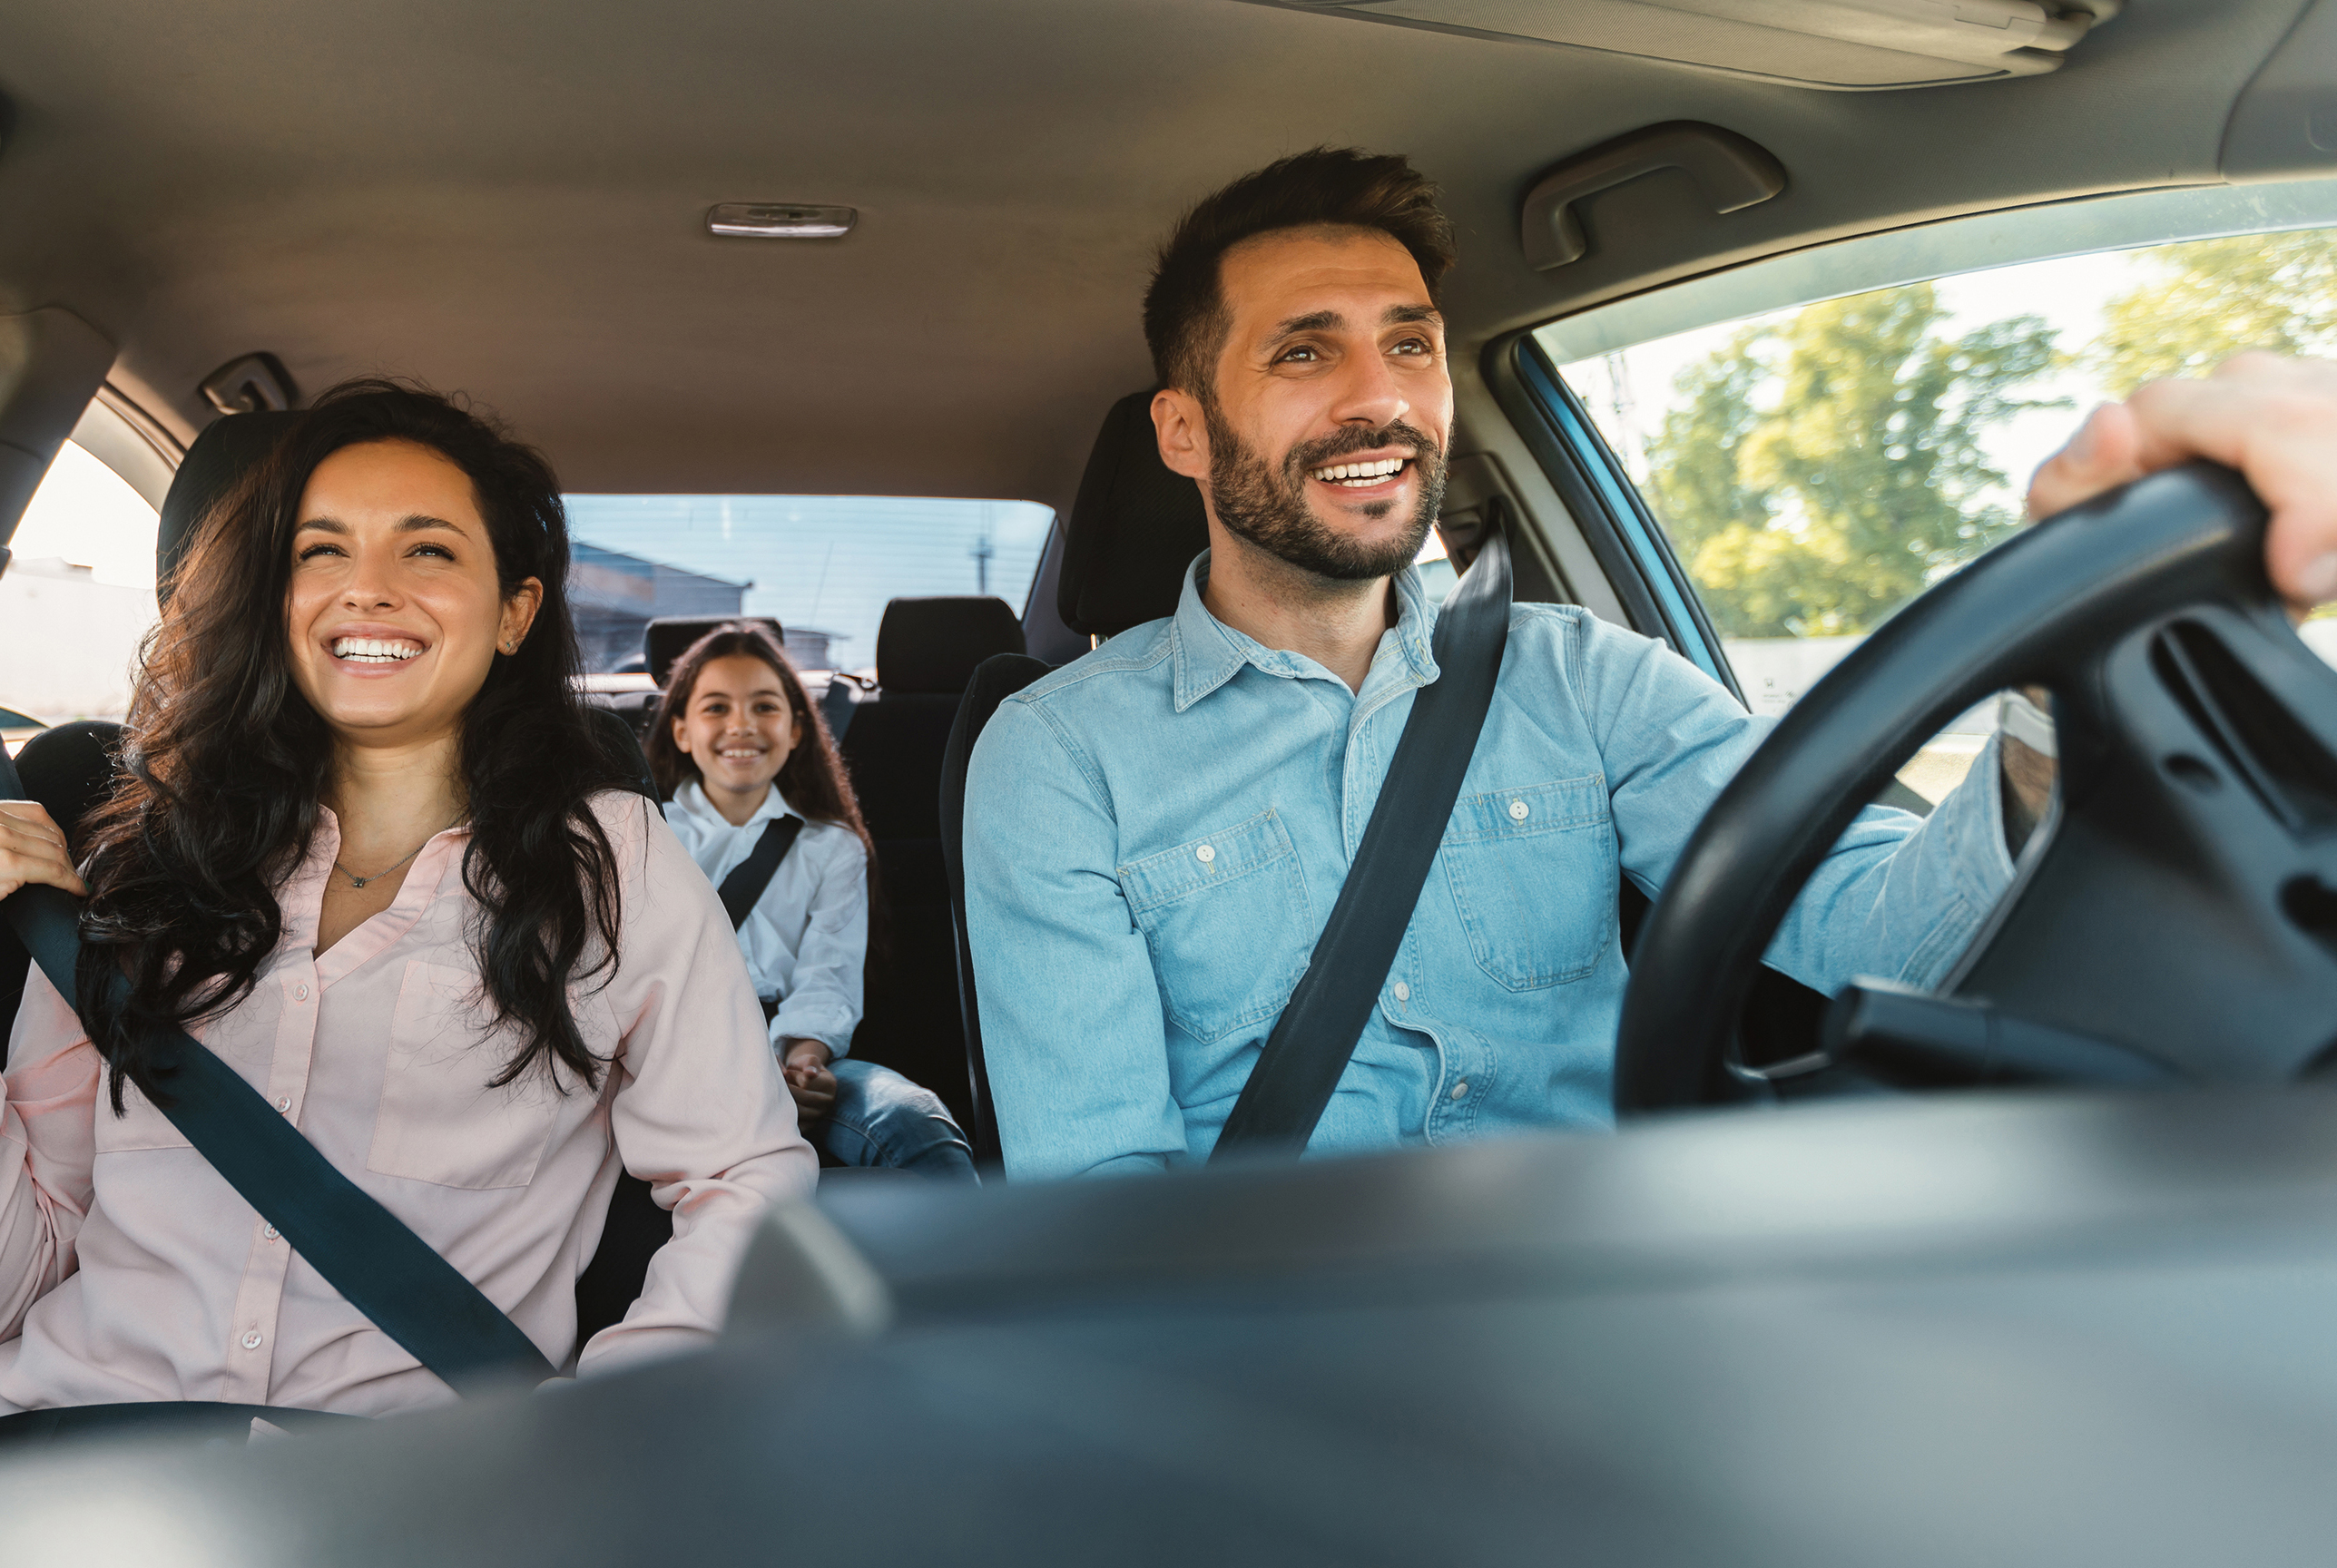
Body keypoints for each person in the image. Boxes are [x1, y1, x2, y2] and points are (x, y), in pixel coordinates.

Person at [961, 147, 2337, 1181]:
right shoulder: (1060, 755)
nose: (1376, 396)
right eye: (1303, 353)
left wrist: (2061, 673)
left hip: (1613, 1314)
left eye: (1411, 344)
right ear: (1185, 434)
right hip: (1273, 1351)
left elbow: (1902, 937)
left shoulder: (1585, 682)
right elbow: (1103, 1199)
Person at [0, 380, 815, 1484]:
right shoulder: (137, 868)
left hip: (390, 1502)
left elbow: (744, 1182)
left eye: (426, 552)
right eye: (318, 551)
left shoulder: (612, 864)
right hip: (48, 1468)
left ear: (515, 610)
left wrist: (581, 1452)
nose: (367, 591)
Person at [646, 622, 978, 1181]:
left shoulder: (832, 847)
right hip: (672, 1061)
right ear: (680, 731)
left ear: (797, 730)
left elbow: (829, 973)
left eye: (765, 707)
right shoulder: (644, 836)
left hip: (792, 1049)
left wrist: (800, 1061)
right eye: (716, 708)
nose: (742, 726)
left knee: (919, 1125)